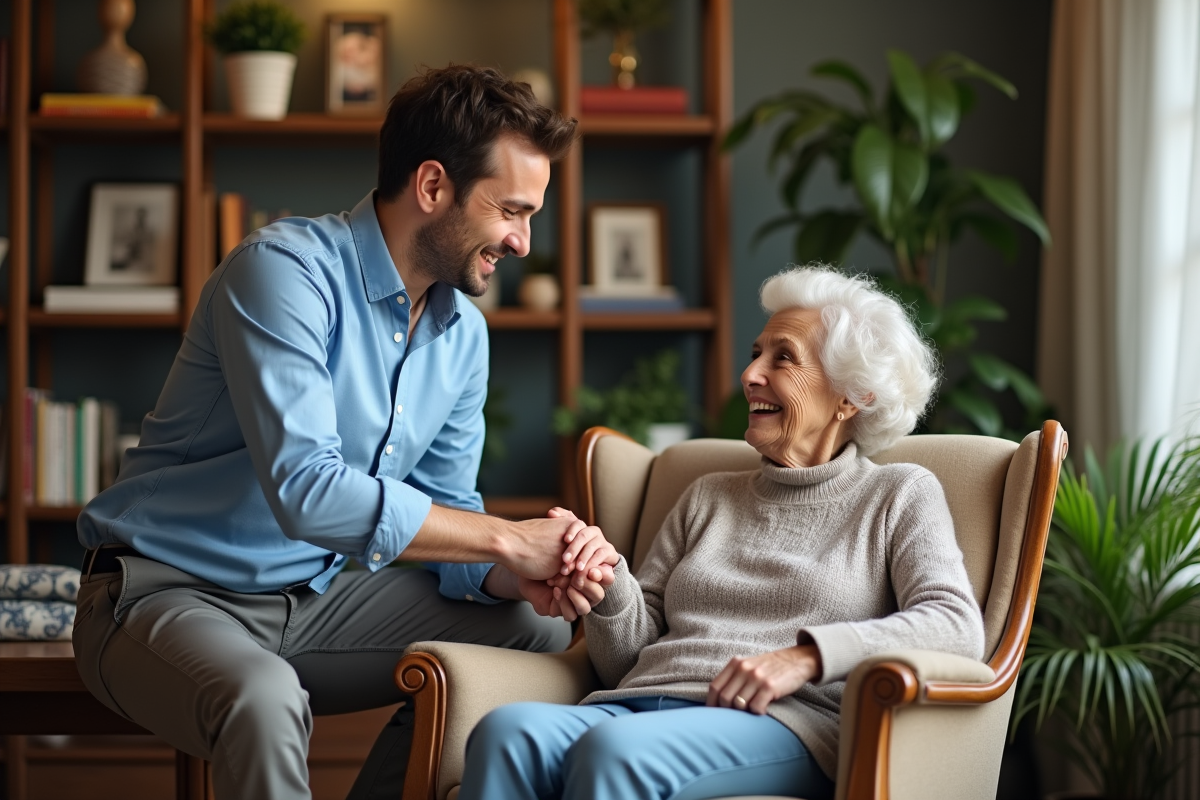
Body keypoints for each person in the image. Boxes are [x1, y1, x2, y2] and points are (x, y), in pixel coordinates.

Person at [72, 65, 609, 800]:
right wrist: (509, 539)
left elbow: (447, 516)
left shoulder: (463, 339)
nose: (521, 241)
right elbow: (308, 494)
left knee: (536, 633)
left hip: (310, 604)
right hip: (160, 595)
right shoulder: (282, 273)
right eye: (512, 211)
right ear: (432, 187)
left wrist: (519, 574)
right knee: (264, 699)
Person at [458, 266, 987, 800]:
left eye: (783, 357)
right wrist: (608, 581)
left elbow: (955, 625)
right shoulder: (707, 495)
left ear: (851, 396)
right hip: (639, 705)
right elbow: (628, 659)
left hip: (783, 721)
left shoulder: (897, 495)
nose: (751, 373)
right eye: (755, 353)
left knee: (616, 751)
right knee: (506, 734)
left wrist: (806, 657)